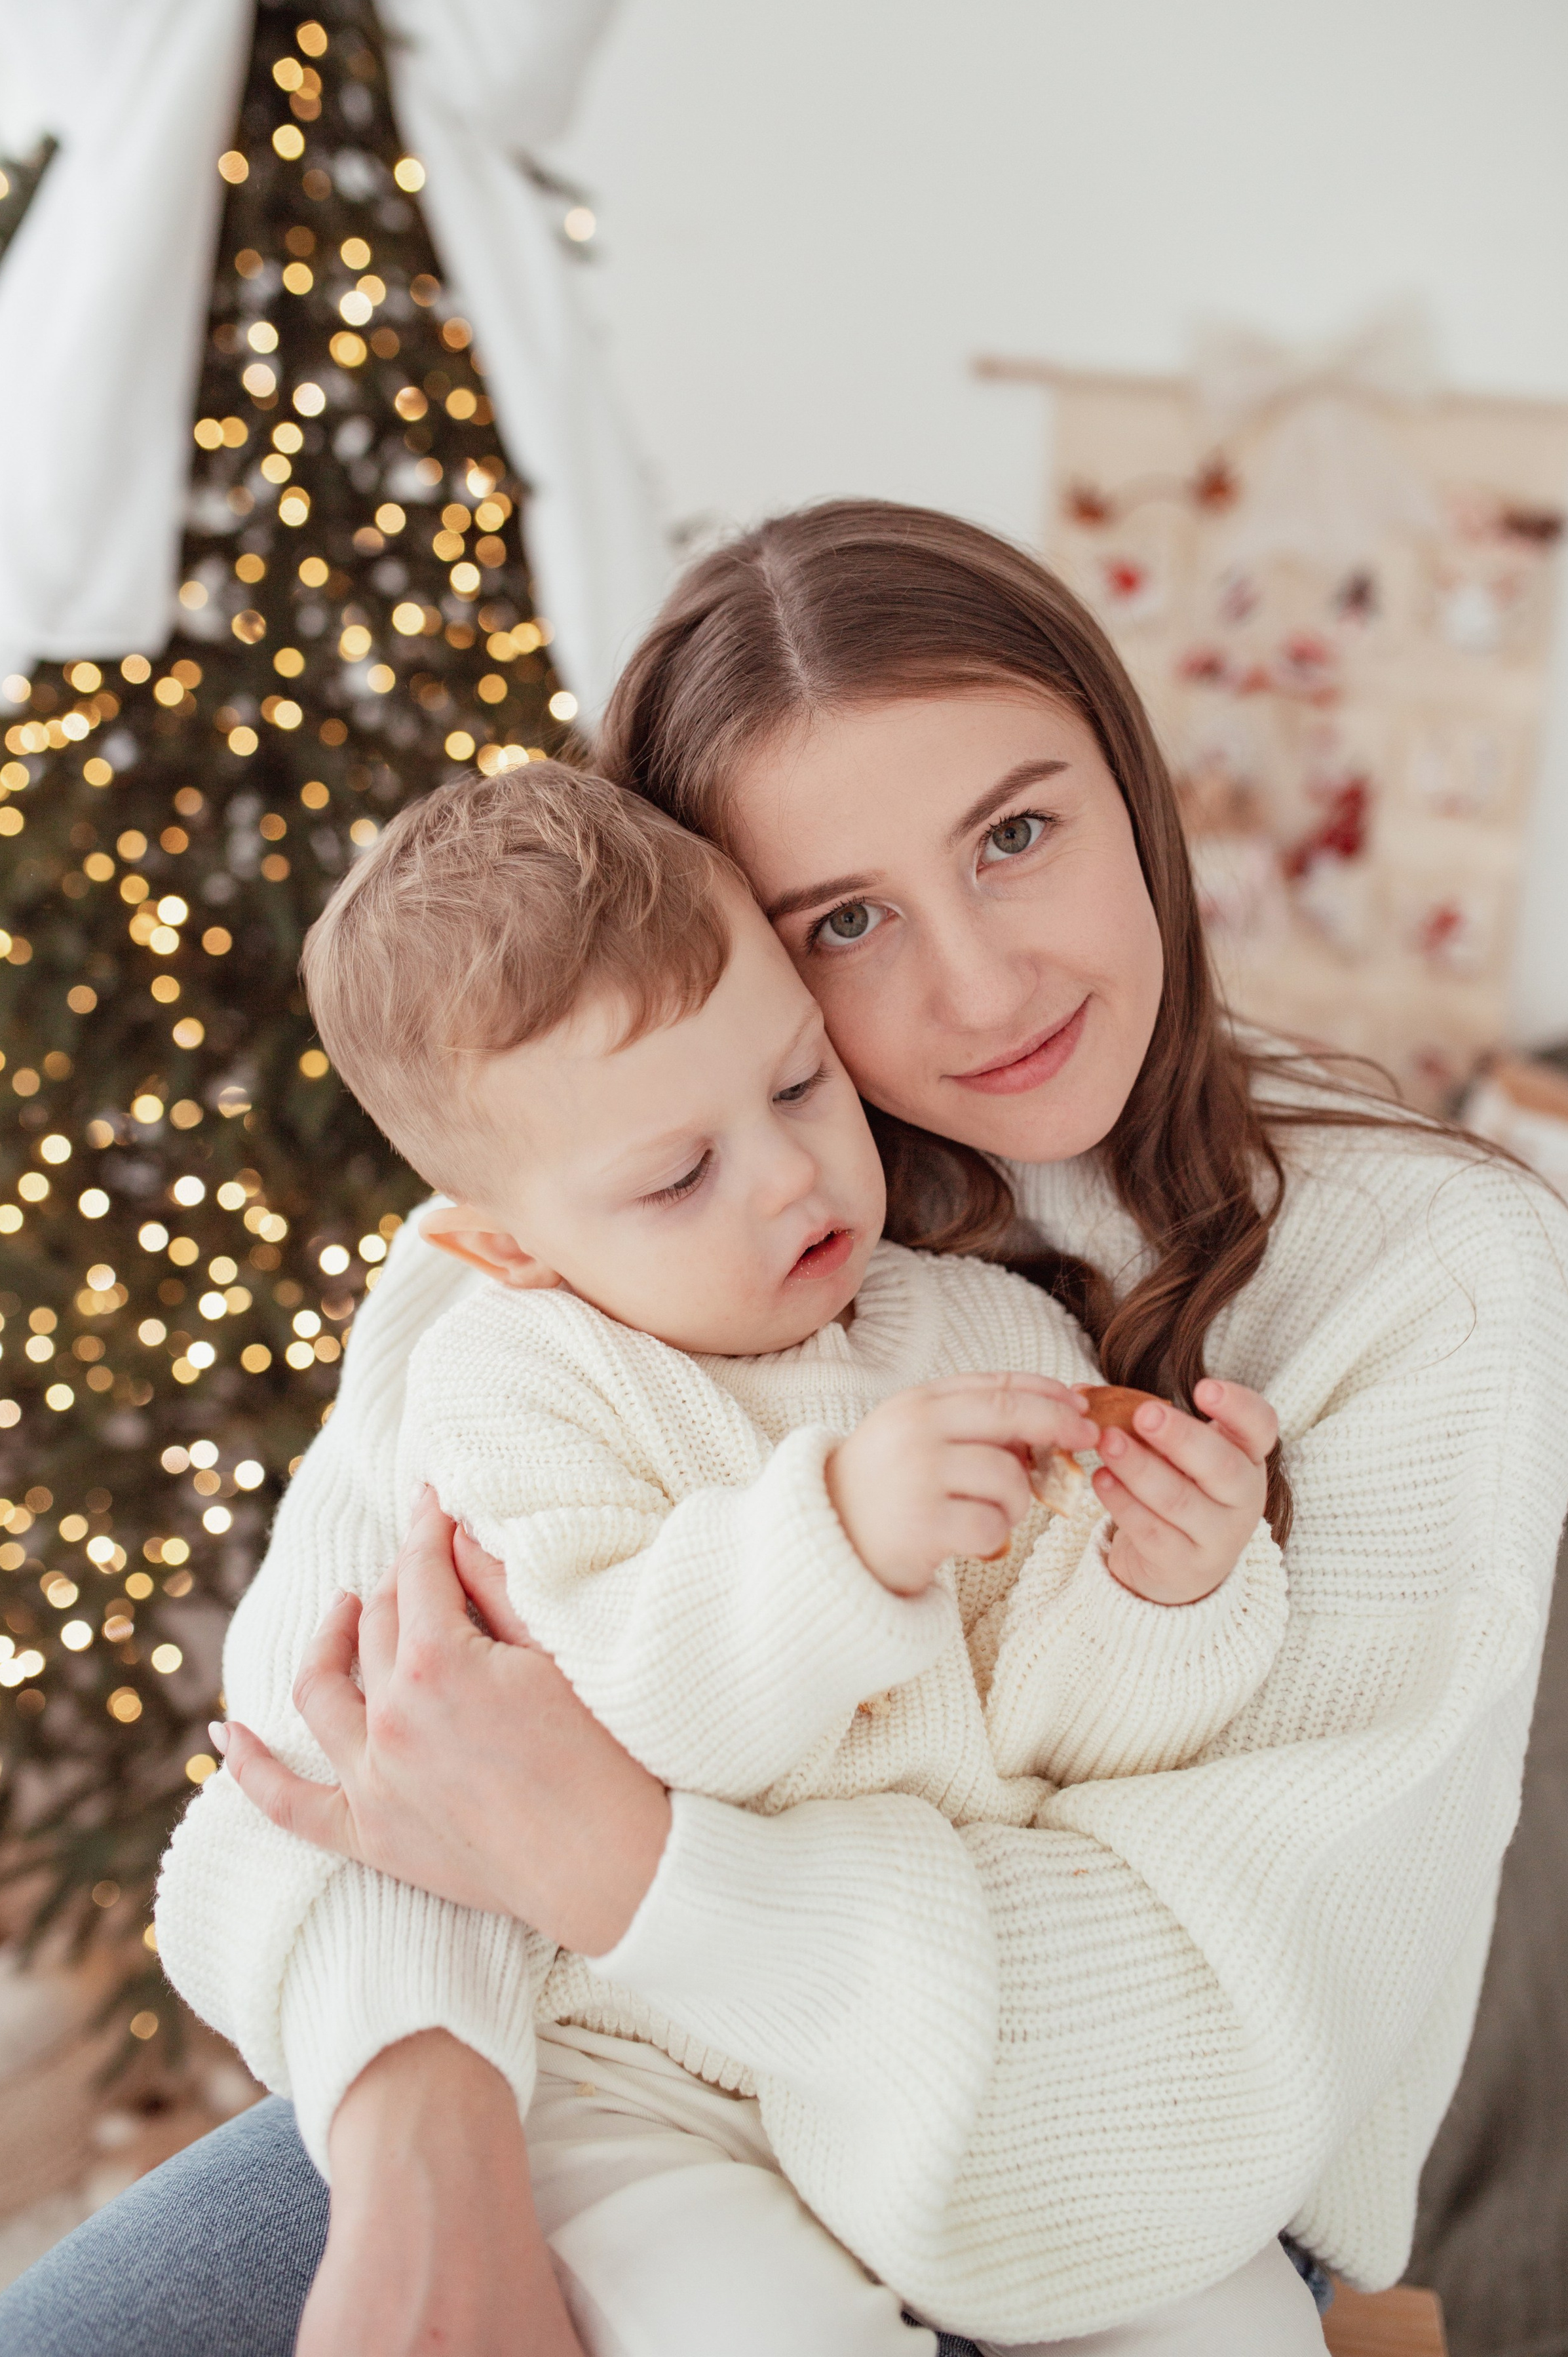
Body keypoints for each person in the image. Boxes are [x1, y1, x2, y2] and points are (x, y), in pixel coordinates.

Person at [0, 503, 1568, 2357]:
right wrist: (435, 2144)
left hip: (1123, 2159)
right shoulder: (609, 1202)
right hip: (614, 2057)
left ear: (1134, 785)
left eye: (1020, 833)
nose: (978, 989)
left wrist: (619, 1858)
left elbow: (1200, 2041)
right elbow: (325, 1756)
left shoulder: (1437, 1273)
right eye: (845, 920)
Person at [182, 756, 1289, 2355]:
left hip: (928, 2046)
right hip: (636, 2067)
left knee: (1226, 2314)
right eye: (676, 1173)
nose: (784, 1177)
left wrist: (1161, 1590)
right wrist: (835, 1540)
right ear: (500, 1241)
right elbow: (580, 1726)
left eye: (792, 1088)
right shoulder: (516, 1383)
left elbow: (1057, 1742)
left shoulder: (975, 1326)